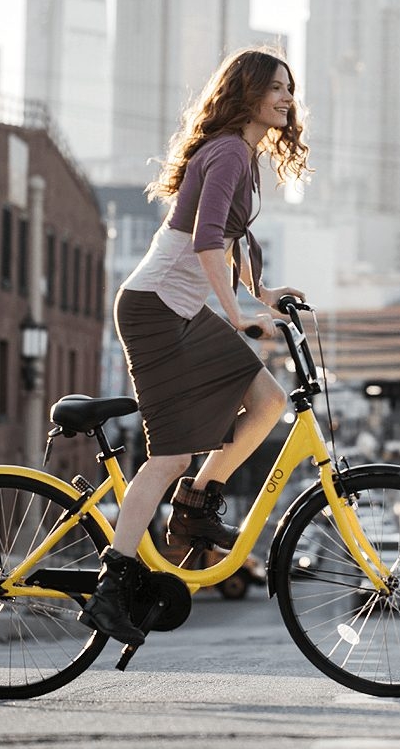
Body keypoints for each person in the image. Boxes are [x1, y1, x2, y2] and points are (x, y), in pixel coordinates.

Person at [79, 47, 312, 646]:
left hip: (174, 307)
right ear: (249, 93)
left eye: (291, 88)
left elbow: (234, 240)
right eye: (278, 88)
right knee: (167, 456)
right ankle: (112, 586)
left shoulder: (241, 155)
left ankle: (194, 506)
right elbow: (209, 240)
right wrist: (237, 317)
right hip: (155, 309)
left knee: (267, 401)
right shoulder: (232, 150)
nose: (289, 98)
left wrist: (263, 293)